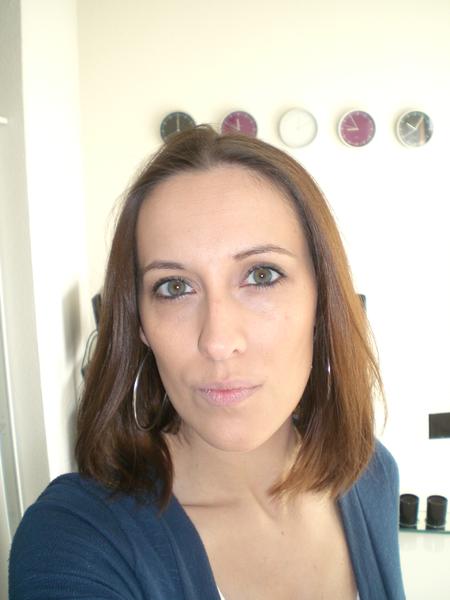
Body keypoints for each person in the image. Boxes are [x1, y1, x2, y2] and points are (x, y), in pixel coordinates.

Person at [9, 126, 405, 600]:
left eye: (261, 275)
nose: (217, 341)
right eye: (175, 287)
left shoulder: (370, 475)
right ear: (139, 323)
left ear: (323, 302)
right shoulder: (78, 538)